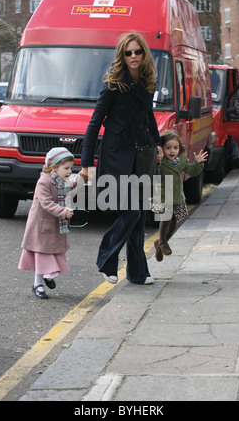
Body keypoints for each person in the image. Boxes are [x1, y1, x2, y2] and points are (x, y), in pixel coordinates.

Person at [80, 32, 163, 285]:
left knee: (137, 218)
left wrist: (157, 142)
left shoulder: (148, 83)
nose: (134, 56)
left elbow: (148, 116)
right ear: (122, 56)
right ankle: (107, 259)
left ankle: (138, 273)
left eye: (137, 52)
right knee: (132, 212)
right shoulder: (113, 85)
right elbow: (94, 124)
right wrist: (85, 163)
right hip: (116, 157)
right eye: (128, 53)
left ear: (144, 54)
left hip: (141, 156)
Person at [18, 147, 84, 299]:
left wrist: (82, 176)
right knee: (42, 254)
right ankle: (39, 283)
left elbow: (73, 184)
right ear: (53, 167)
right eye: (66, 168)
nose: (69, 172)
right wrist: (63, 211)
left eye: (71, 168)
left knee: (51, 252)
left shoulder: (61, 180)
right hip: (41, 225)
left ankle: (43, 279)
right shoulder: (43, 182)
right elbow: (46, 203)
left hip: (53, 224)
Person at [154, 131, 208, 262]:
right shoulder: (160, 161)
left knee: (173, 225)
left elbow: (191, 171)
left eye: (175, 148)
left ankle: (159, 244)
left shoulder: (182, 159)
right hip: (163, 196)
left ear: (179, 148)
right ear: (162, 148)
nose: (172, 151)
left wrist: (198, 163)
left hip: (177, 197)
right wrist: (159, 161)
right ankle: (162, 242)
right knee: (166, 218)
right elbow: (156, 175)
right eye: (168, 148)